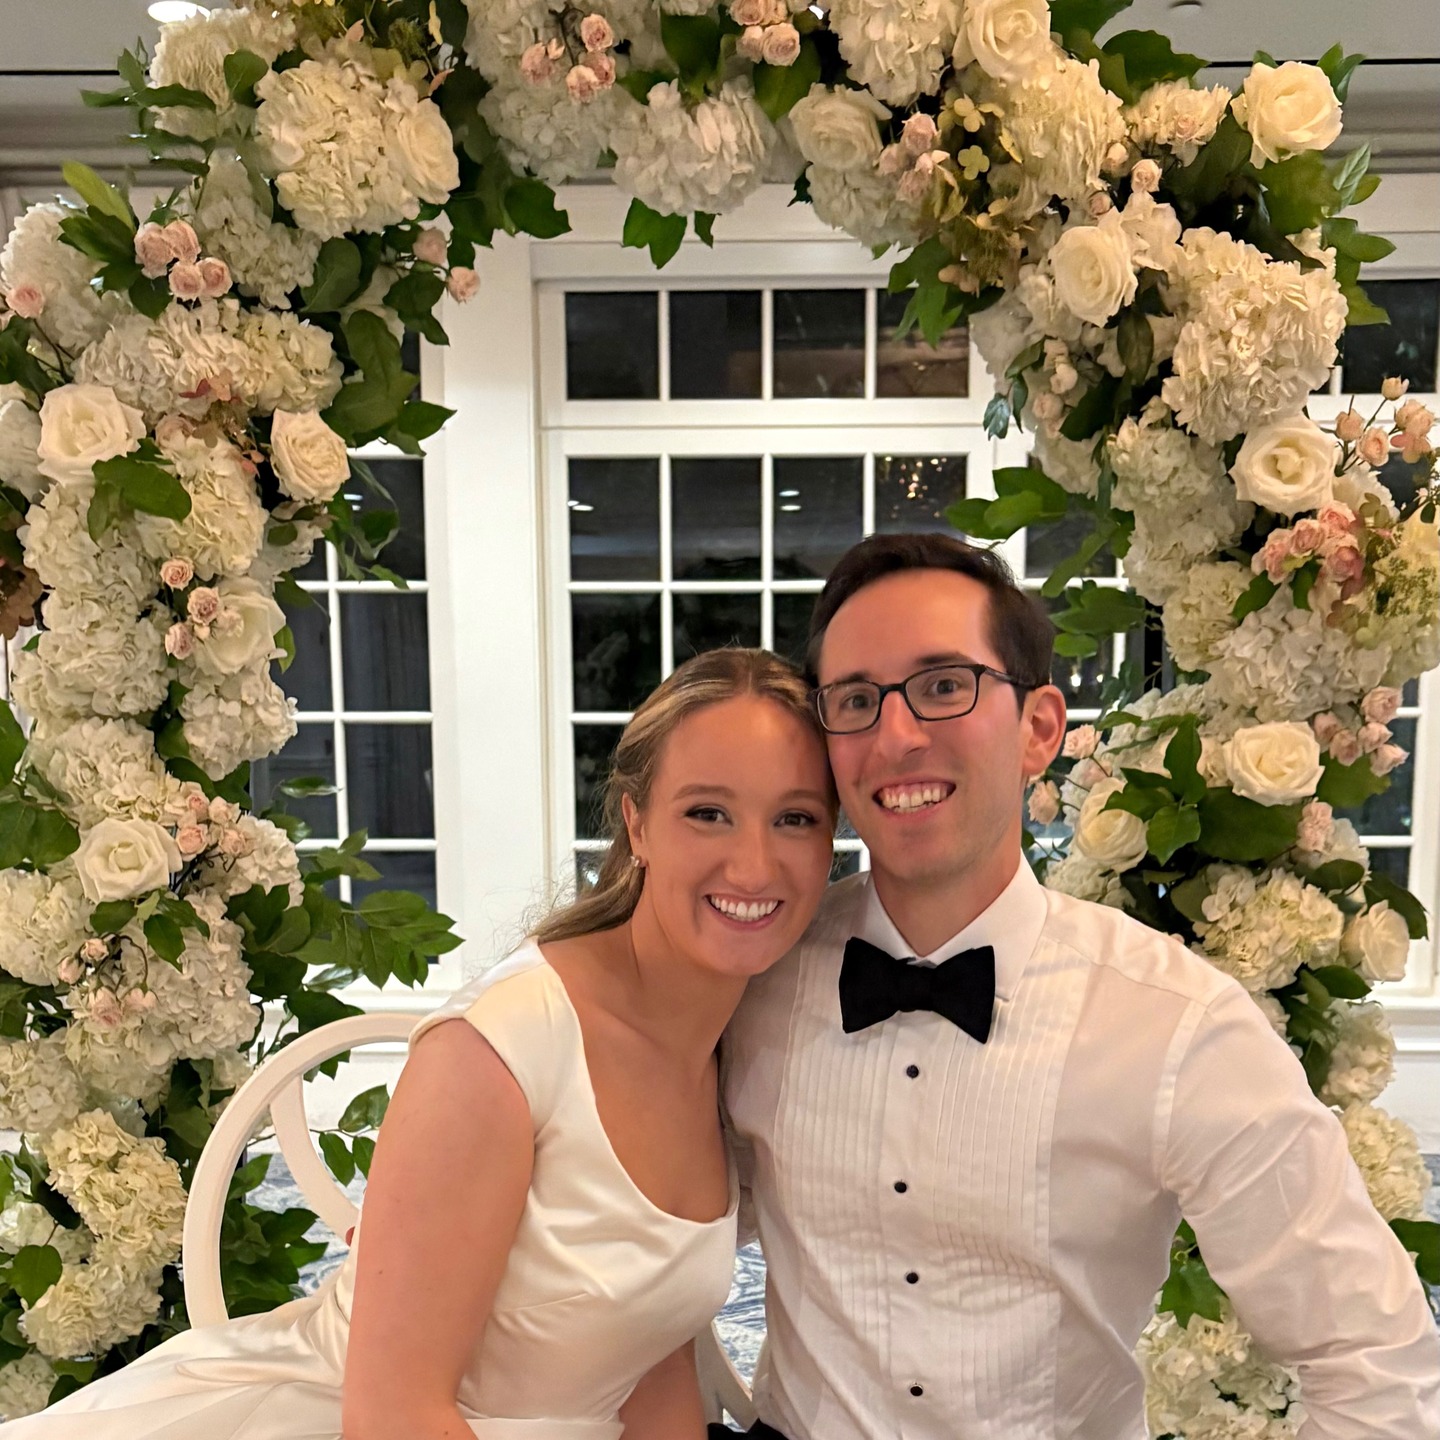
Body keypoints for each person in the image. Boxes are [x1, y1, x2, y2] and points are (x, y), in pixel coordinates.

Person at [4, 648, 837, 1440]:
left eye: (795, 818)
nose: (755, 864)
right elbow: (394, 1416)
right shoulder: (504, 1050)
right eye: (708, 813)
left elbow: (645, 1348)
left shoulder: (739, 1046)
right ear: (637, 824)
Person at [721, 533, 1440, 1440]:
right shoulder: (752, 983)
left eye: (945, 686)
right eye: (855, 701)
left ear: (1040, 729)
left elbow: (1376, 1359)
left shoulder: (1176, 1025)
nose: (896, 737)